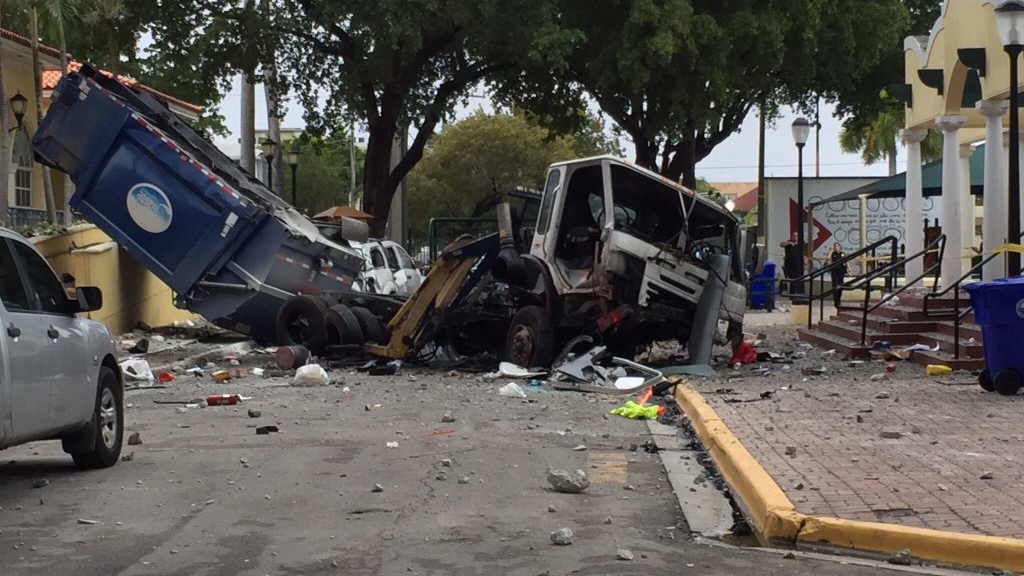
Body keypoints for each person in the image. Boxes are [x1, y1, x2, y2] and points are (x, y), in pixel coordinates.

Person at [827, 242, 847, 307]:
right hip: (834, 271)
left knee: (841, 285)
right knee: (835, 285)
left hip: (841, 271)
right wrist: (831, 251)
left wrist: (849, 269)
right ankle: (836, 300)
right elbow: (828, 258)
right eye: (835, 246)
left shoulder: (842, 254)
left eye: (837, 246)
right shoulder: (833, 253)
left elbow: (845, 261)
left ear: (840, 247)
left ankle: (839, 298)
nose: (836, 247)